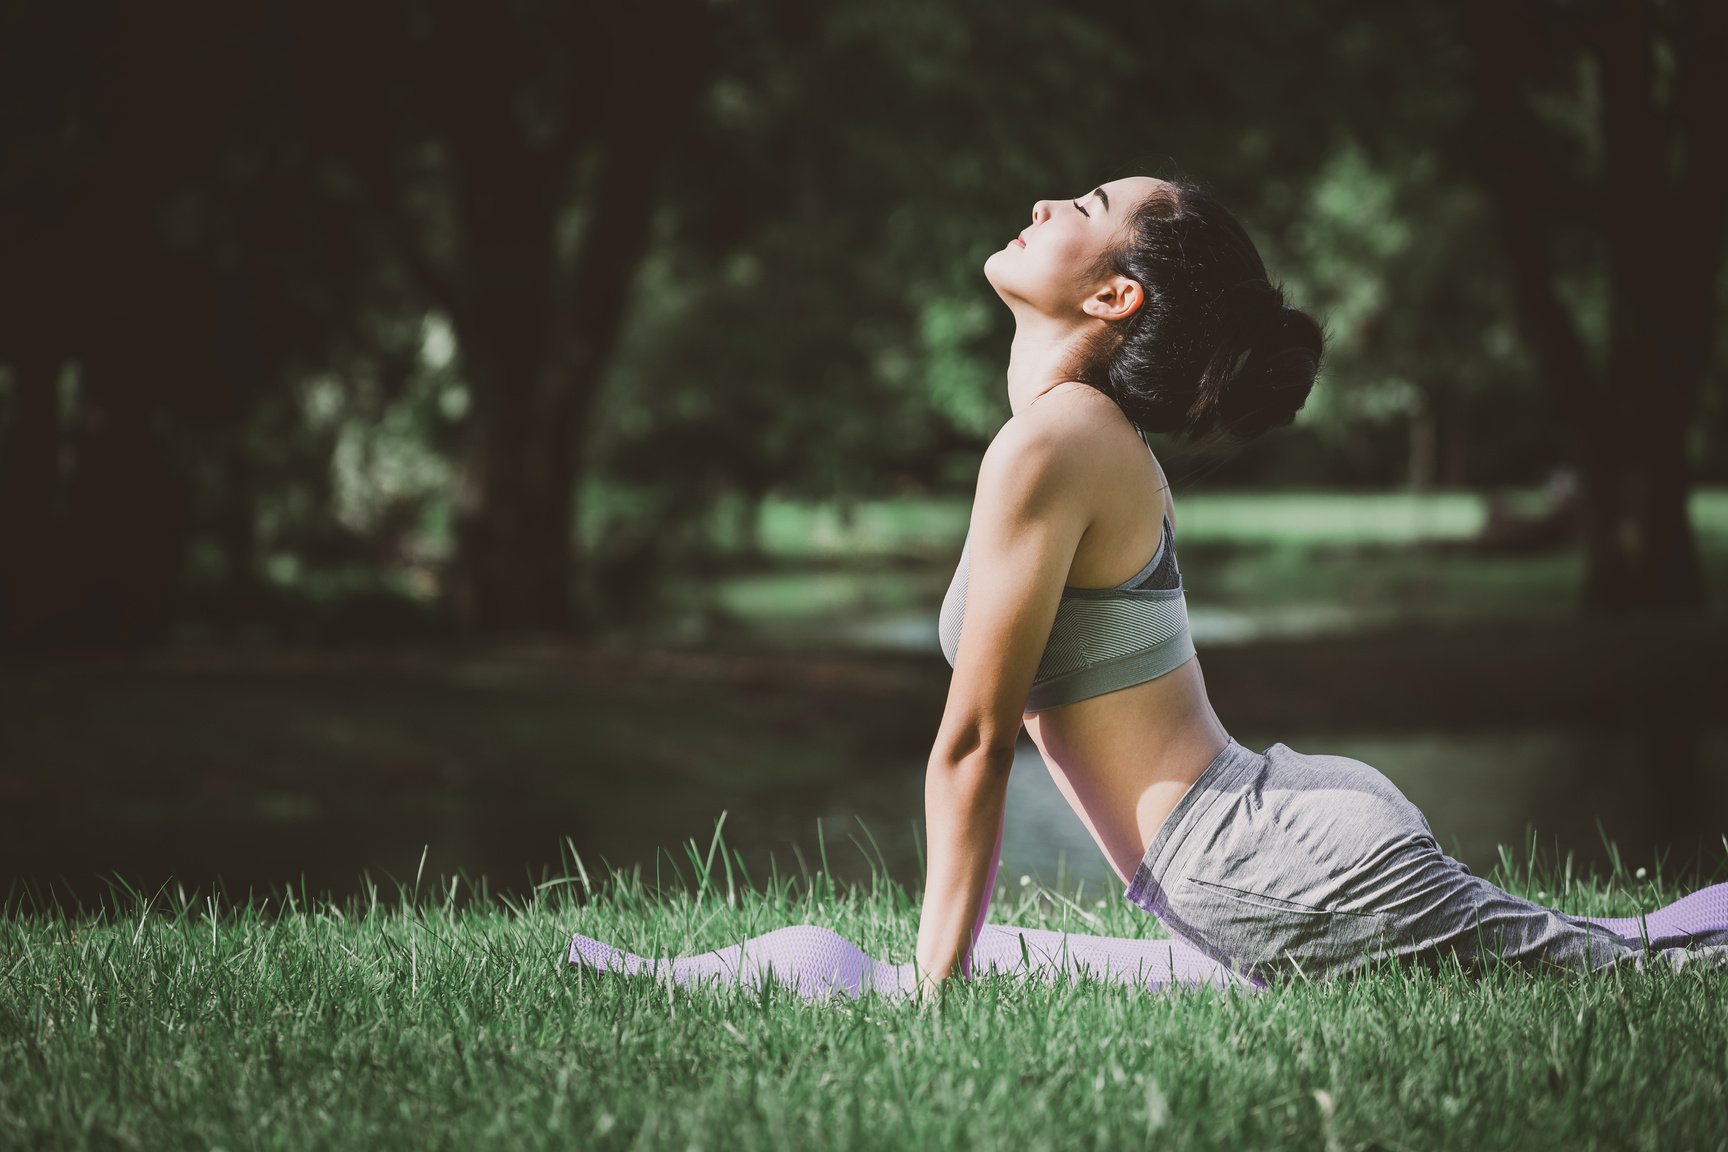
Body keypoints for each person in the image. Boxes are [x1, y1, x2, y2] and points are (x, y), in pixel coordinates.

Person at [914, 175, 1728, 995]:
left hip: (1263, 860)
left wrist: (932, 995)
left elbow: (977, 742)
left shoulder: (1057, 443)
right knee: (1626, 951)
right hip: (1274, 838)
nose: (1042, 207)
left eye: (1085, 207)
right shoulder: (1078, 435)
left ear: (1115, 294)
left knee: (1643, 974)